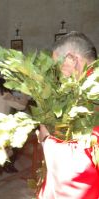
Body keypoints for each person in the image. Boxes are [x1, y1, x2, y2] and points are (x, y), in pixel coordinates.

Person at [37, 31, 99, 199]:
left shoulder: (91, 91)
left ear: (73, 60)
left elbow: (77, 164)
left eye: (57, 66)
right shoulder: (76, 89)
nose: (57, 73)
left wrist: (47, 137)